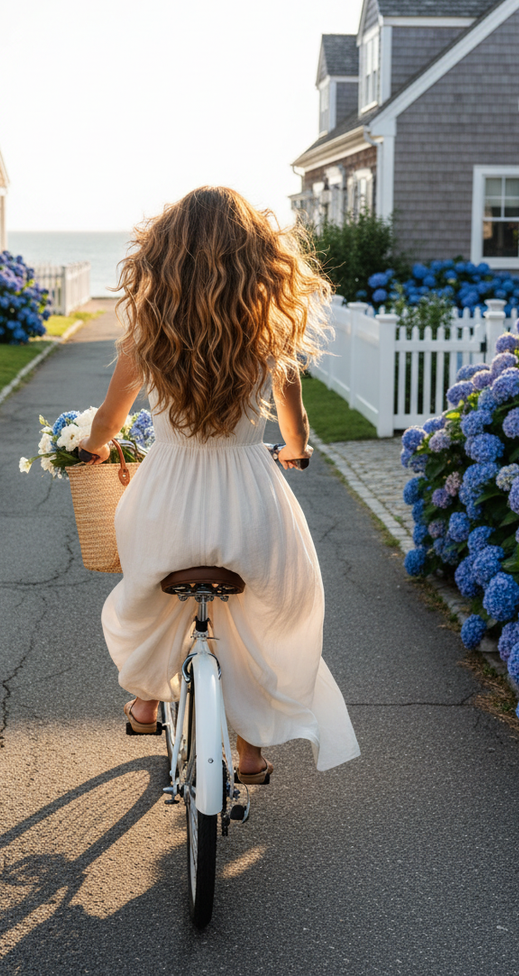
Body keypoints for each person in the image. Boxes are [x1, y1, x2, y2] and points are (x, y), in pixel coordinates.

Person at [79, 186, 359, 780]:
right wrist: (295, 452)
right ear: (255, 257)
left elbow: (108, 422)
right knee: (260, 616)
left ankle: (149, 700)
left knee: (153, 595)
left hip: (164, 498)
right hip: (249, 503)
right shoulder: (270, 337)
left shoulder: (146, 337)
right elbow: (296, 427)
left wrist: (94, 448)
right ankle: (252, 750)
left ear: (166, 256)